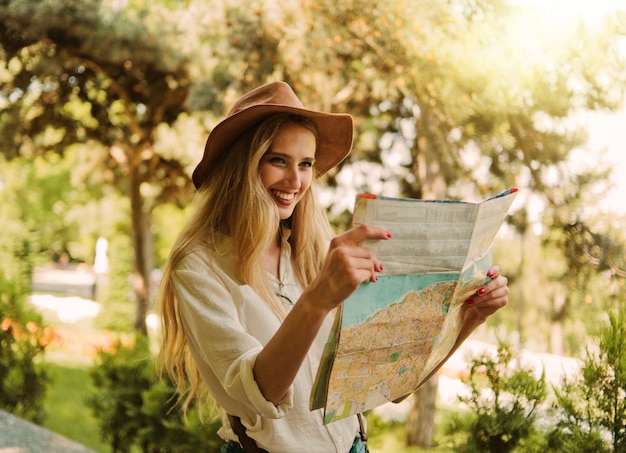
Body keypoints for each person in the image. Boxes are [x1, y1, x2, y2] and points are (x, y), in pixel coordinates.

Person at [157, 81, 510, 453]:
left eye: (306, 164)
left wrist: (468, 319)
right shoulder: (200, 266)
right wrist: (317, 299)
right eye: (278, 160)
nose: (295, 181)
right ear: (242, 165)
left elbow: (388, 386)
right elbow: (258, 393)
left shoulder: (313, 255)